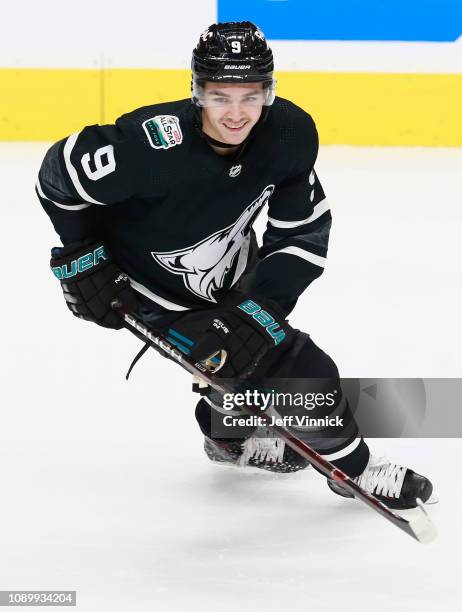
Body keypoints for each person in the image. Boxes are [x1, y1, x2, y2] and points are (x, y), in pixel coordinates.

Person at [37, 21, 433, 510]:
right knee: (305, 375)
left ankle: (227, 437)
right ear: (197, 92)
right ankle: (353, 470)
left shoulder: (288, 134)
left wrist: (257, 309)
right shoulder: (148, 145)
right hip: (149, 291)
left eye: (250, 96)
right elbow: (58, 175)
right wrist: (80, 255)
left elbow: (300, 234)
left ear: (269, 92)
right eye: (220, 96)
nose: (236, 113)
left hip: (232, 273)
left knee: (238, 352)